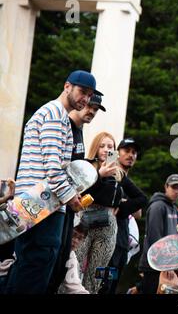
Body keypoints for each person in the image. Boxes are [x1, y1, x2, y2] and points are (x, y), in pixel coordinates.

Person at [5, 70, 102, 294]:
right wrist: (71, 198)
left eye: (89, 95)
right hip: (41, 203)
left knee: (27, 265)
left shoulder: (55, 114)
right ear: (67, 86)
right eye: (82, 92)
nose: (85, 99)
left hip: (35, 202)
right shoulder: (55, 114)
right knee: (38, 263)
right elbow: (53, 168)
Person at [47, 93, 105, 294]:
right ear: (80, 102)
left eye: (96, 109)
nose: (92, 112)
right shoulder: (64, 127)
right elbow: (55, 169)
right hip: (51, 204)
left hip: (68, 206)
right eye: (90, 106)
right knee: (48, 257)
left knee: (62, 257)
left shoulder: (78, 131)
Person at [99, 137, 148, 294]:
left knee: (112, 284)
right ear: (117, 153)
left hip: (122, 241)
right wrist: (123, 203)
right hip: (105, 239)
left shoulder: (126, 181)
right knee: (101, 284)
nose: (131, 155)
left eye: (134, 153)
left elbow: (139, 212)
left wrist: (120, 205)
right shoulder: (109, 173)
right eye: (127, 151)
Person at [138, 174, 178, 294]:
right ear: (166, 186)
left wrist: (177, 264)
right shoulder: (157, 206)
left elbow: (175, 240)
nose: (176, 191)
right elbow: (156, 239)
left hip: (167, 264)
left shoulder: (174, 209)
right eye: (174, 187)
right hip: (154, 265)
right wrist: (166, 265)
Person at [58, 224, 90, 294]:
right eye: (73, 234)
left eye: (80, 238)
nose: (75, 241)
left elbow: (75, 285)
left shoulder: (71, 258)